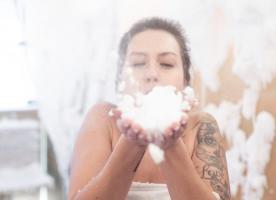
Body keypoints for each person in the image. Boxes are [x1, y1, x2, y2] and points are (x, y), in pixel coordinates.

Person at [68, 17, 231, 200]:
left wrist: (171, 147)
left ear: (185, 80)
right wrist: (131, 143)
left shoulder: (201, 126)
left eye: (167, 64)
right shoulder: (103, 119)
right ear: (120, 80)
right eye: (138, 63)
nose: (152, 74)